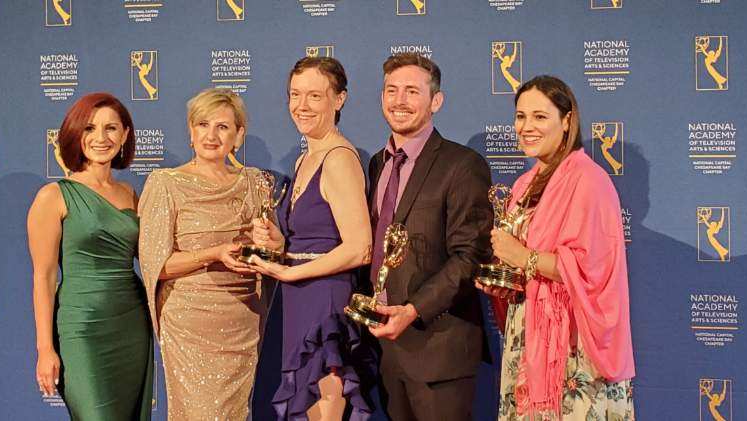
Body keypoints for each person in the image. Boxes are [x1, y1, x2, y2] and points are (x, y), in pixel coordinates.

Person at [477, 75, 635, 421]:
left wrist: (524, 258)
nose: (526, 127)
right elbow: (523, 265)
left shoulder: (589, 181)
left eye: (539, 116)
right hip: (528, 337)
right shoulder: (522, 184)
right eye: (520, 116)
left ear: (566, 121)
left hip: (573, 345)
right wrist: (503, 278)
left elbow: (592, 267)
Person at [365, 52, 493, 420]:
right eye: (391, 90)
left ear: (436, 101)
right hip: (388, 352)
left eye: (411, 91)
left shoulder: (462, 165)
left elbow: (471, 256)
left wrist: (414, 309)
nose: (399, 101)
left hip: (439, 351)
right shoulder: (378, 164)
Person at [248, 56, 374, 420]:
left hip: (326, 299)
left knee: (325, 404)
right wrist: (277, 244)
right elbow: (311, 239)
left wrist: (288, 273)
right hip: (301, 296)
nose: (301, 106)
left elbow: (359, 248)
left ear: (339, 99)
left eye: (315, 96)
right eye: (294, 94)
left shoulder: (338, 158)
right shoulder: (306, 158)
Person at [138, 88, 272, 419]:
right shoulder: (166, 183)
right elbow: (157, 264)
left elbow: (268, 251)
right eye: (202, 124)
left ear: (239, 134)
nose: (210, 135)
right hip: (190, 325)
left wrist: (271, 241)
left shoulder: (255, 182)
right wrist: (213, 253)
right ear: (190, 130)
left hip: (243, 319)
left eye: (223, 127)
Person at [28, 92, 153, 419]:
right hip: (80, 329)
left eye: (111, 128)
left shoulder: (130, 194)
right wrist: (45, 348)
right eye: (90, 128)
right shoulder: (53, 196)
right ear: (75, 134)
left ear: (125, 135)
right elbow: (43, 276)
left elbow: (152, 260)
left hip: (131, 325)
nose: (101, 138)